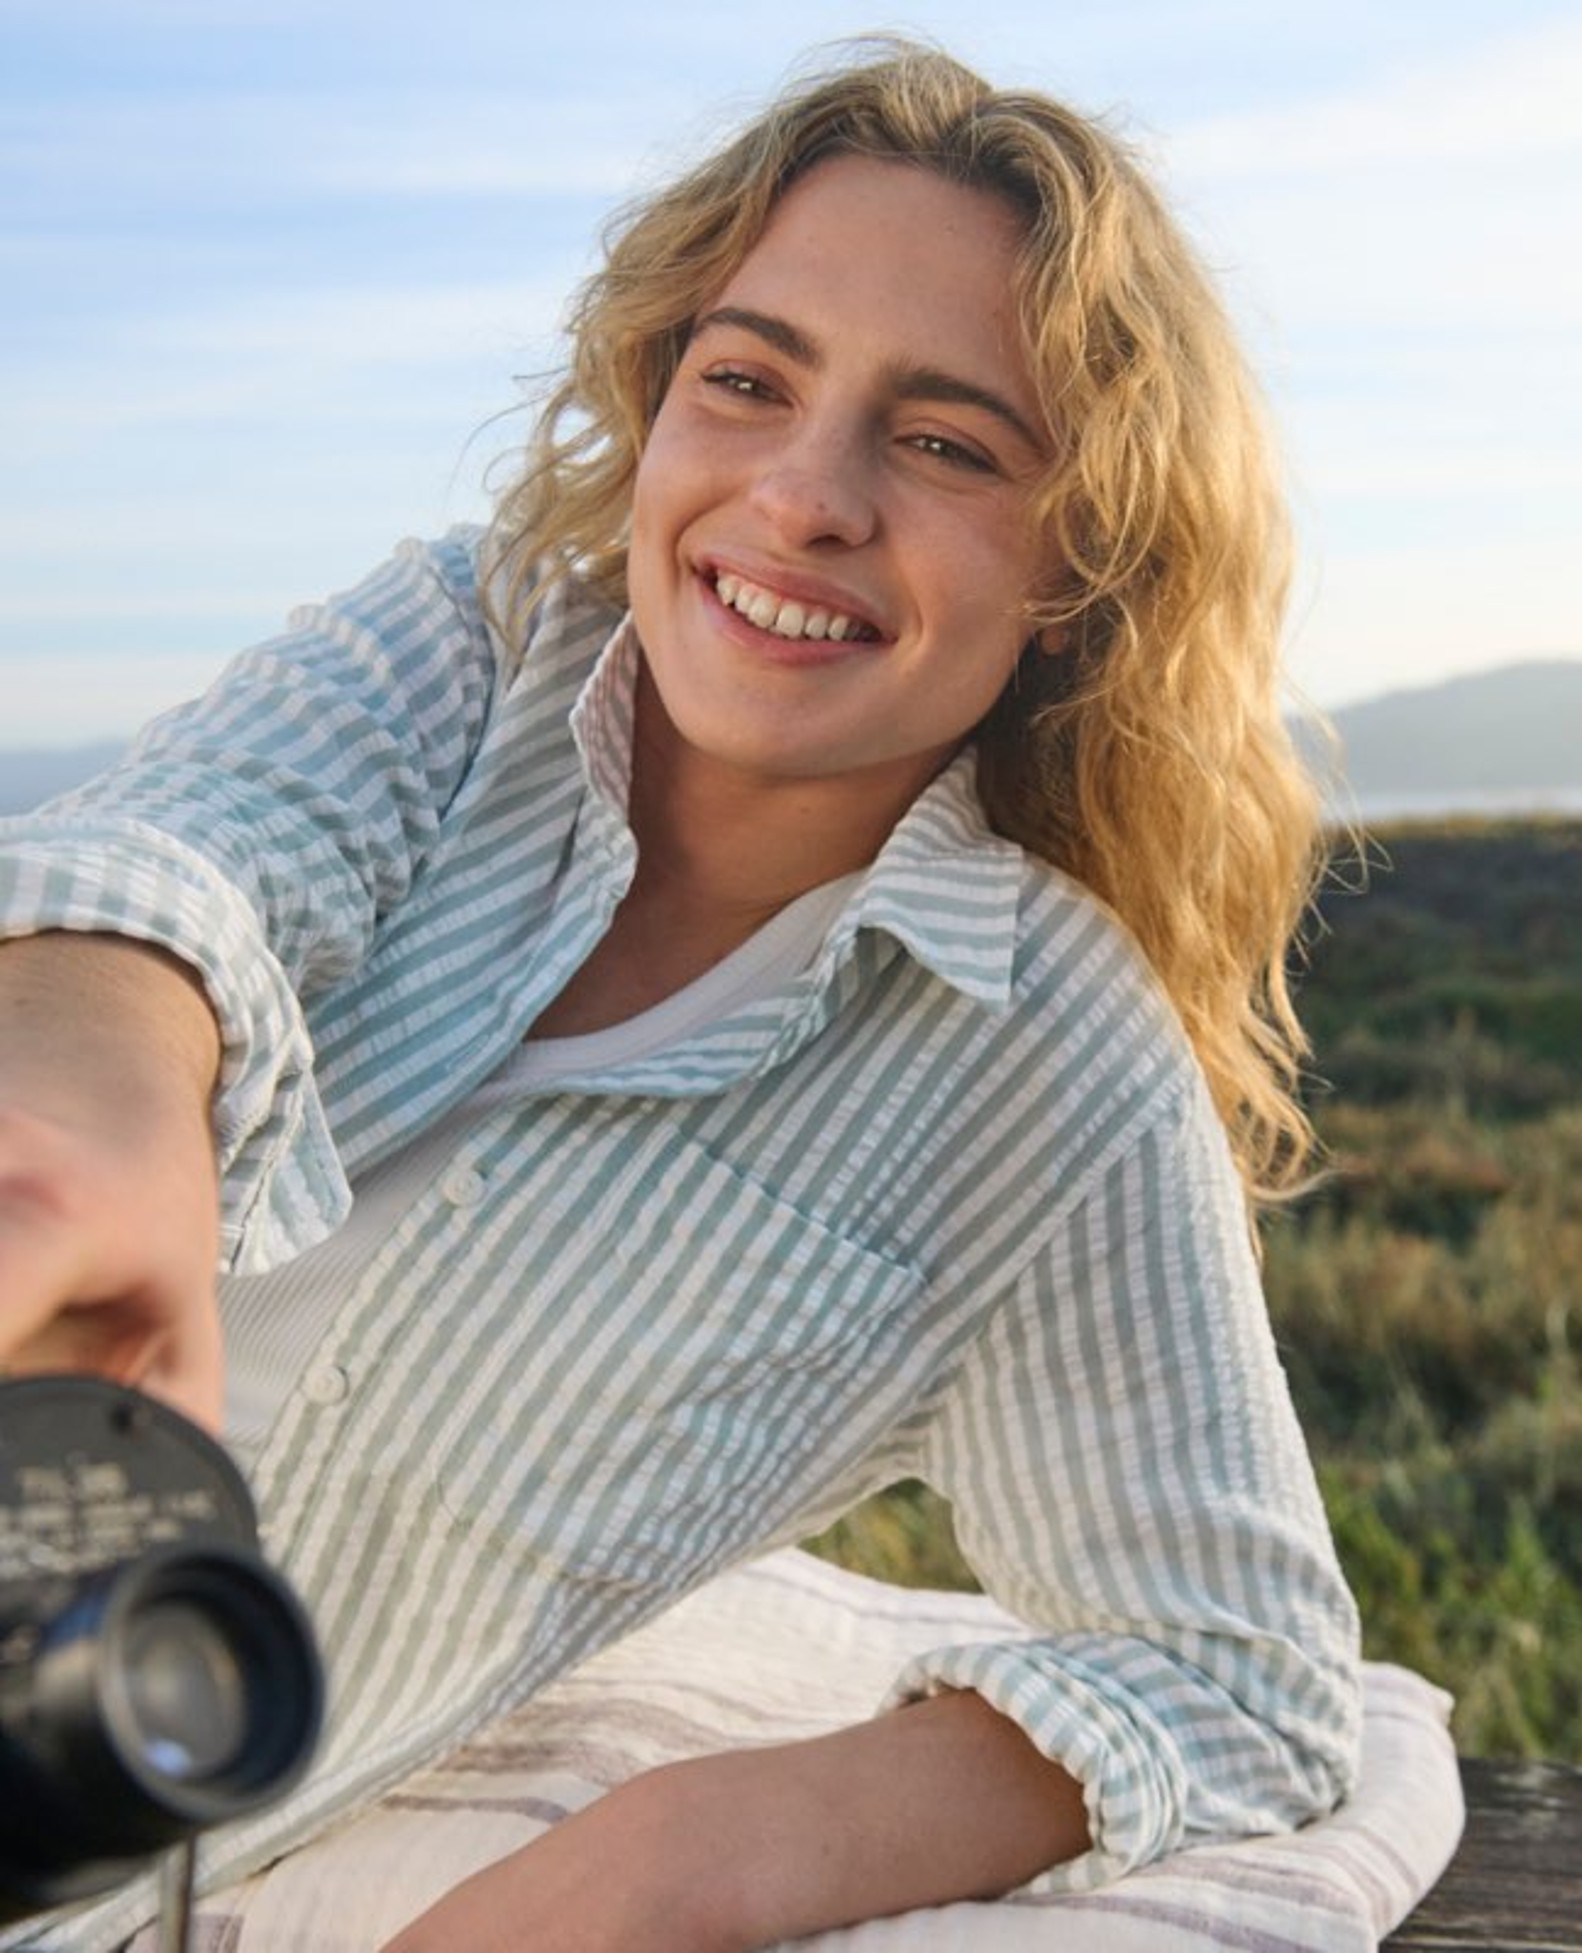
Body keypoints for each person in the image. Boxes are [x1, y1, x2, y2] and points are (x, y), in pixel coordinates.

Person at [0, 38, 1361, 1953]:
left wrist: (678, 1857)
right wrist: (89, 1100)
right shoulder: (470, 643)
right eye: (748, 381)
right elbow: (174, 863)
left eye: (948, 439)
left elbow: (1243, 1671)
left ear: (1082, 564)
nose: (804, 495)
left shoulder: (1038, 1064)